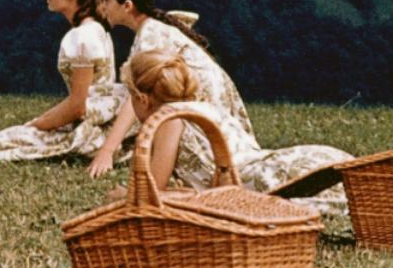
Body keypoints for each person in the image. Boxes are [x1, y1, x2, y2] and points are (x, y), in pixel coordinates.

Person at [106, 49, 351, 215]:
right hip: (304, 162)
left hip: (276, 179)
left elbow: (151, 193)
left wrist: (123, 196)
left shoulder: (169, 121)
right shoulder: (203, 107)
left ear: (142, 98)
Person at [88, 0, 255, 178]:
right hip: (201, 109)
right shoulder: (151, 30)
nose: (102, 6)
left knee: (106, 101)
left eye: (106, 0)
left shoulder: (151, 34)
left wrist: (107, 151)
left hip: (199, 113)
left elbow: (137, 96)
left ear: (127, 6)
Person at [0, 0, 120, 161]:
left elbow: (78, 104)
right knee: (3, 141)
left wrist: (37, 123)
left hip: (88, 130)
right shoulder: (97, 28)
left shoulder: (82, 36)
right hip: (99, 122)